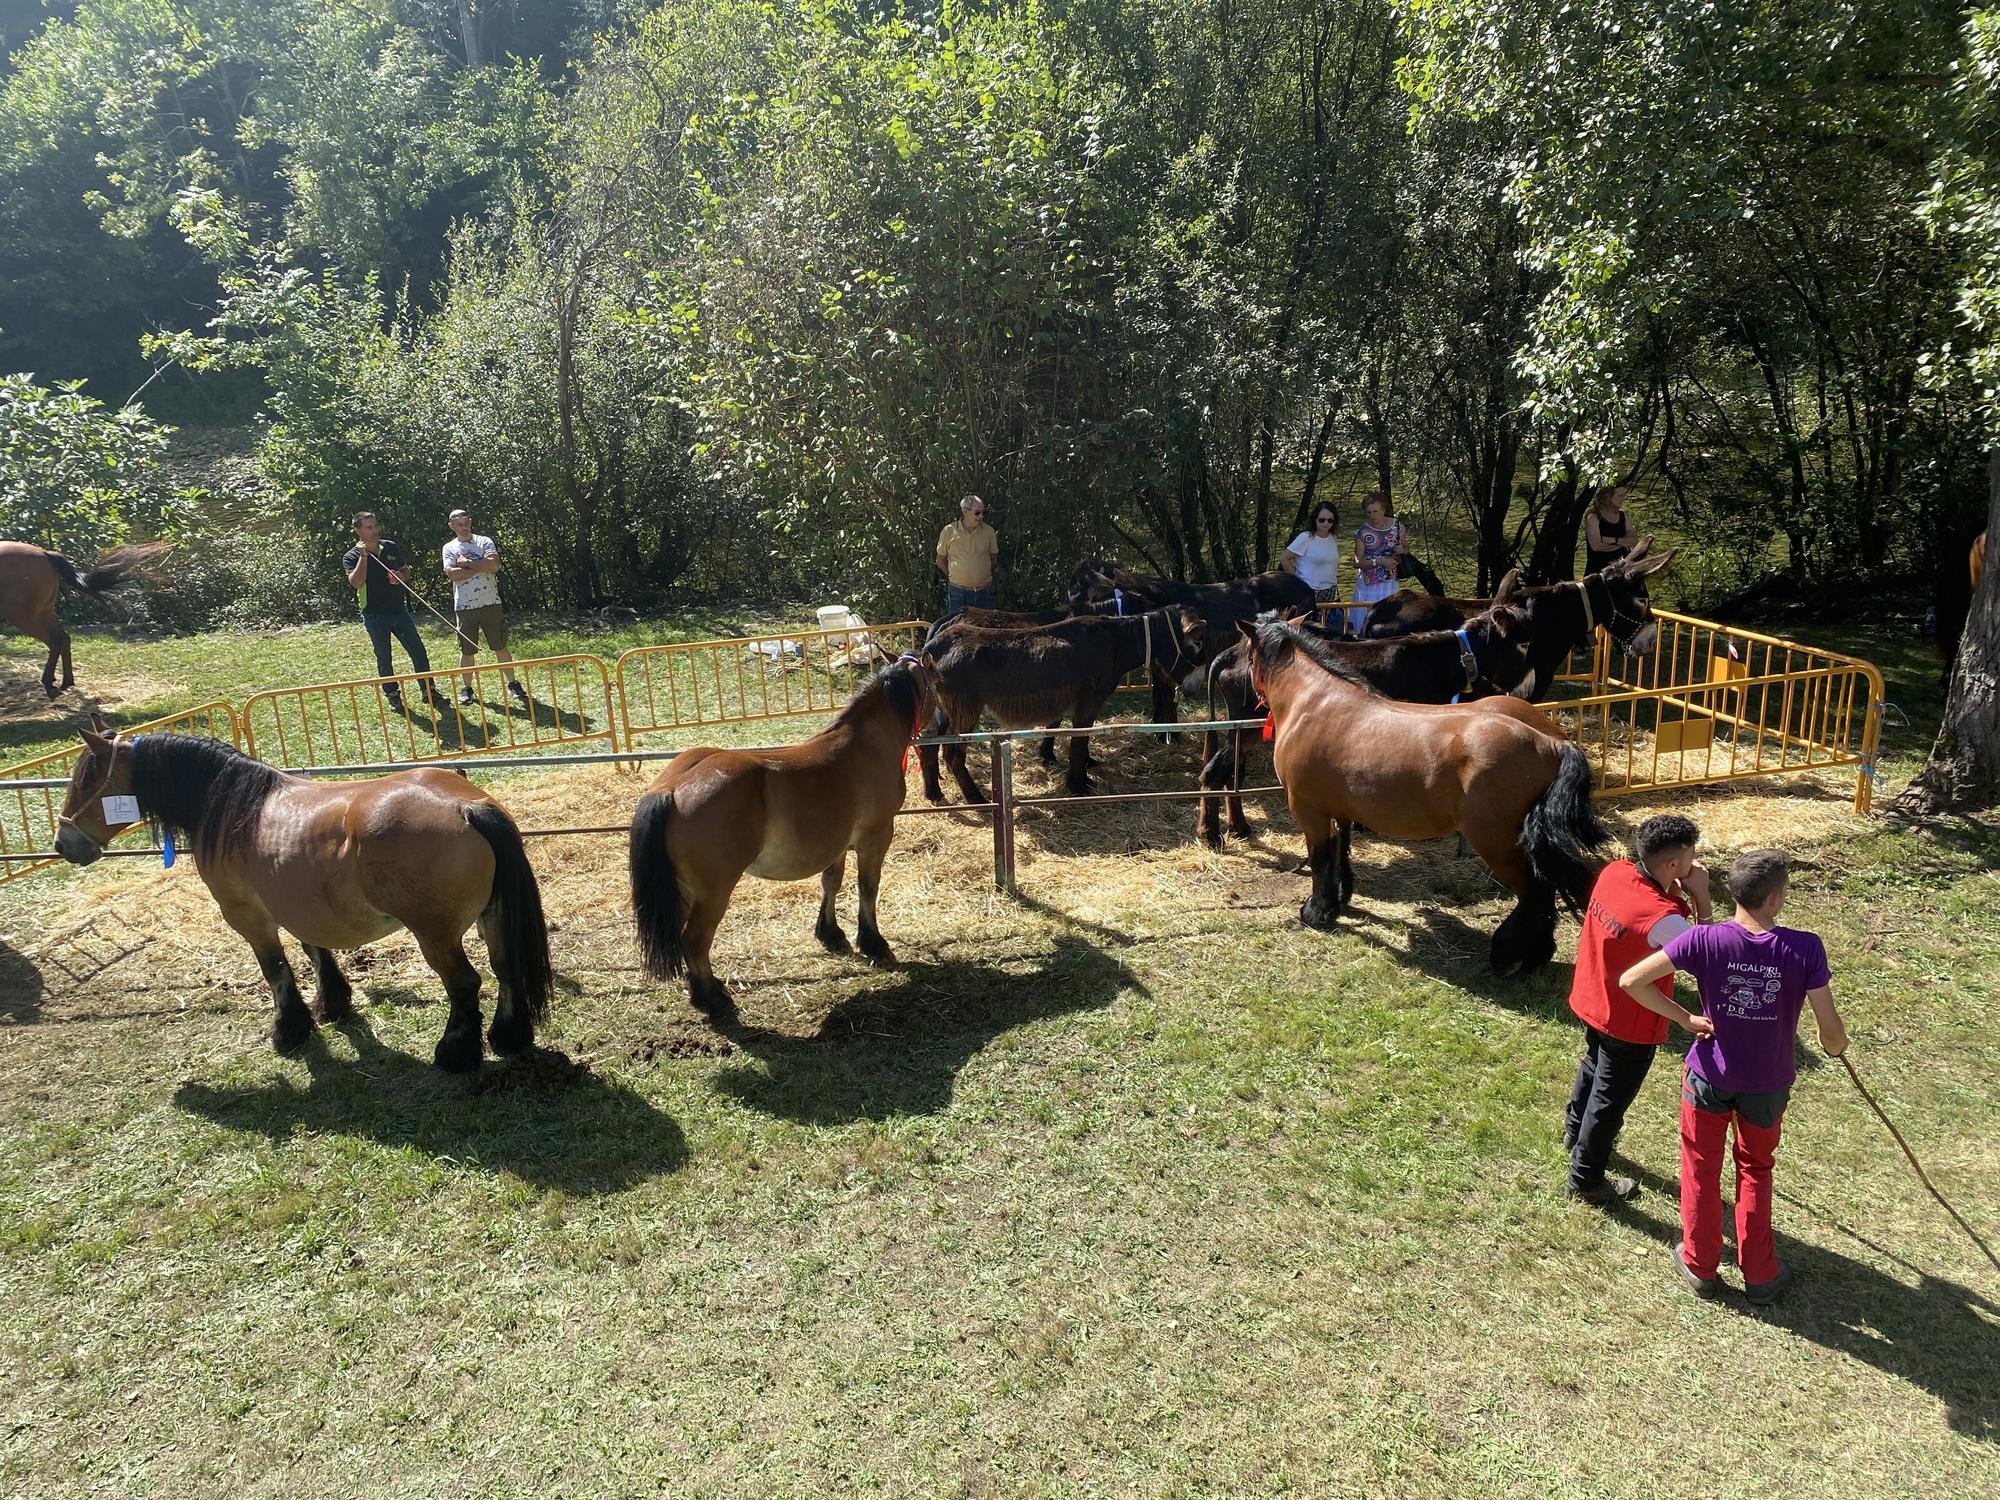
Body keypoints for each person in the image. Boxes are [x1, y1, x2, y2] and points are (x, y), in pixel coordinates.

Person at [1619, 849, 1849, 1304]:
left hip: (1709, 1077)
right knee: (1756, 1169)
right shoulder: (1805, 948)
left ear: (1735, 893)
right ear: (1777, 898)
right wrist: (1837, 1047)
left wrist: (1684, 1018)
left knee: (1700, 1168)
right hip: (1768, 1084)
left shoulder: (1703, 940)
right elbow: (1830, 1031)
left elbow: (1632, 981)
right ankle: (1760, 1273)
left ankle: (1700, 1264)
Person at [1562, 813, 1712, 1205]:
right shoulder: (1663, 920)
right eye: (1691, 858)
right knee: (1609, 1100)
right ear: (1673, 865)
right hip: (1629, 1022)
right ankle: (1586, 1178)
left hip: (1594, 998)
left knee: (1593, 1065)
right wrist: (1702, 897)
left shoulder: (1614, 872)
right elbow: (1708, 958)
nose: (1696, 865)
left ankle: (1574, 1131)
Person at [343, 512, 438, 712]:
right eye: (369, 527)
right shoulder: (351, 556)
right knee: (384, 657)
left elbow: (406, 570)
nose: (375, 530)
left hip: (399, 610)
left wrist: (400, 576)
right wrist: (363, 557)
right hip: (374, 614)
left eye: (376, 526)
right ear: (357, 530)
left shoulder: (391, 547)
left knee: (418, 651)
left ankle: (428, 690)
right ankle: (393, 695)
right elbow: (356, 582)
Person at [441, 509, 528, 708]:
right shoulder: (449, 548)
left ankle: (513, 684)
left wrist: (466, 564)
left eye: (466, 522)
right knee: (467, 649)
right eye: (459, 524)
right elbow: (452, 575)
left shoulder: (484, 541)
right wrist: (481, 565)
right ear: (451, 526)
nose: (464, 526)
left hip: (491, 602)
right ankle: (467, 689)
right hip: (465, 605)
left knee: (500, 646)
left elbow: (495, 566)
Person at [1348, 493, 1407, 635]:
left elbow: (1406, 548)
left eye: (1375, 511)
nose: (1372, 516)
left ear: (1383, 510)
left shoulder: (1397, 526)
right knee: (1366, 623)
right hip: (1369, 584)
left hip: (1390, 582)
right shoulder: (1363, 531)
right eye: (1369, 512)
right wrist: (1379, 562)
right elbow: (1357, 562)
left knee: (1390, 622)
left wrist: (1403, 549)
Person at [935, 494, 1000, 615]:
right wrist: (954, 576)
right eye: (977, 513)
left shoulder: (989, 531)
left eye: (983, 513)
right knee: (957, 630)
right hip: (958, 593)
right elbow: (940, 560)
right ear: (965, 511)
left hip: (984, 592)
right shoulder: (949, 531)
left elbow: (993, 559)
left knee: (985, 630)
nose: (981, 516)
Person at [1283, 502, 1343, 607]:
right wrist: (1298, 582)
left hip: (1330, 590)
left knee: (1327, 622)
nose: (1326, 523)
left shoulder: (1333, 538)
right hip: (1308, 589)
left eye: (1330, 520)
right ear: (1315, 519)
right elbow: (1284, 559)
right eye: (1322, 520)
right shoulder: (1306, 537)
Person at [1585, 486, 1635, 575]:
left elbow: (1633, 539)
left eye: (1624, 495)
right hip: (1598, 573)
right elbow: (1597, 546)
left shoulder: (1623, 516)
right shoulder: (1593, 517)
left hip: (1623, 569)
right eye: (1620, 496)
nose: (1623, 499)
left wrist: (1613, 540)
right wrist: (1622, 545)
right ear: (1607, 497)